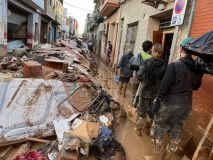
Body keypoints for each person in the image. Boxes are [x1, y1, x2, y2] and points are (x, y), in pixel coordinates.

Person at [150, 38, 203, 159]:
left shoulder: (174, 65)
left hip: (169, 104)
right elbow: (196, 87)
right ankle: (168, 157)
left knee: (159, 127)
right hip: (186, 105)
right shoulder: (197, 68)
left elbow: (164, 87)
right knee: (176, 130)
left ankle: (156, 157)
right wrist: (199, 73)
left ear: (180, 49)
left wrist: (157, 102)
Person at [135, 43, 167, 136]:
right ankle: (147, 129)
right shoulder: (165, 65)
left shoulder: (147, 62)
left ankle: (138, 129)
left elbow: (139, 75)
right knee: (151, 112)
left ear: (153, 51)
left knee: (142, 111)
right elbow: (165, 80)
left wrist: (143, 80)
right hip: (156, 93)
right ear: (160, 53)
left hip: (145, 91)